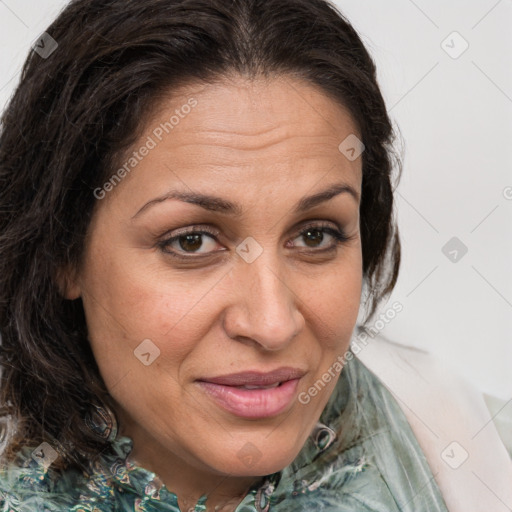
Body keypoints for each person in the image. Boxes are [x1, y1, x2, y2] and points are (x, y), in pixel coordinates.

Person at [0, 0, 509, 510]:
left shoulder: (479, 459)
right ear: (62, 251)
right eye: (192, 241)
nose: (272, 324)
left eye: (315, 236)